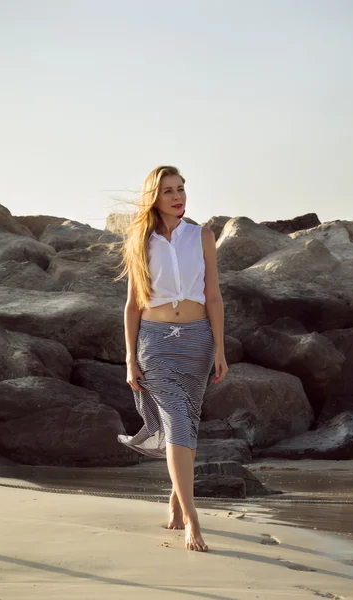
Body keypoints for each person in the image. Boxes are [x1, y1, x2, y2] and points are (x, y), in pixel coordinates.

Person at [116, 165, 228, 552]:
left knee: (189, 421)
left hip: (197, 342)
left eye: (181, 189)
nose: (179, 197)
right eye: (169, 191)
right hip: (156, 343)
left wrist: (221, 349)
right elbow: (132, 306)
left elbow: (213, 296)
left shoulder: (202, 236)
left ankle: (177, 498)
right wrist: (130, 358)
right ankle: (193, 519)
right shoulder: (139, 242)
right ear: (155, 197)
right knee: (177, 421)